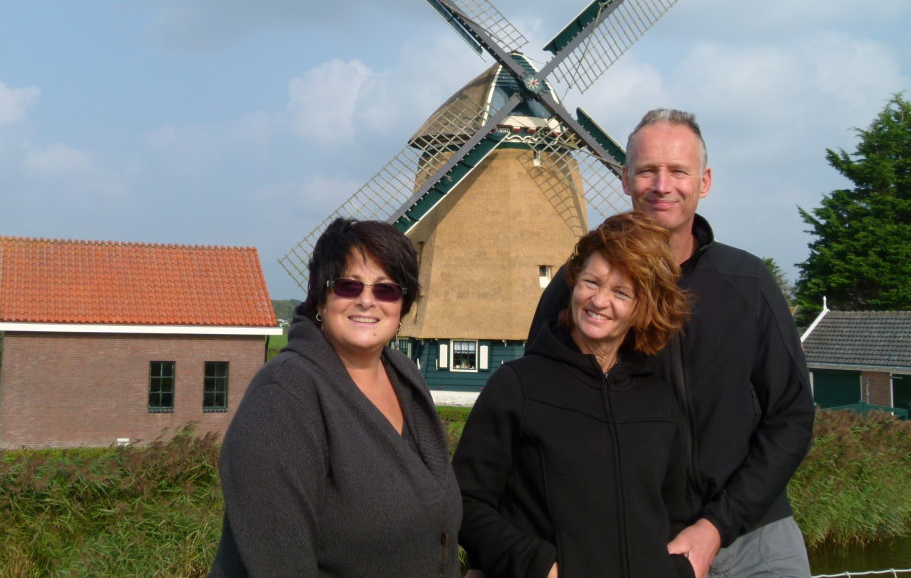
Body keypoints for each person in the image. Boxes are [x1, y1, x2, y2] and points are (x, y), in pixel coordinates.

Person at [529, 109, 815, 578]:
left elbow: (791, 416)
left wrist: (716, 526)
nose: (662, 186)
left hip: (754, 537)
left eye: (678, 171)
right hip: (638, 542)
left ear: (704, 182)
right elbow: (535, 417)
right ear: (624, 179)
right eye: (647, 170)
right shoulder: (578, 291)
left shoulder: (748, 283)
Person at [207, 218, 461, 578]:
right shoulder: (283, 396)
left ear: (402, 306)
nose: (367, 301)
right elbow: (281, 562)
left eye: (387, 289)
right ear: (320, 299)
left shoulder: (404, 376)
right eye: (348, 285)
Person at [454, 211, 696, 578]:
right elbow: (466, 500)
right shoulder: (519, 385)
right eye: (591, 282)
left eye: (620, 292)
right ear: (573, 283)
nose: (599, 301)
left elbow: (674, 511)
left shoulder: (658, 399)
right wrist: (536, 566)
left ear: (642, 307)